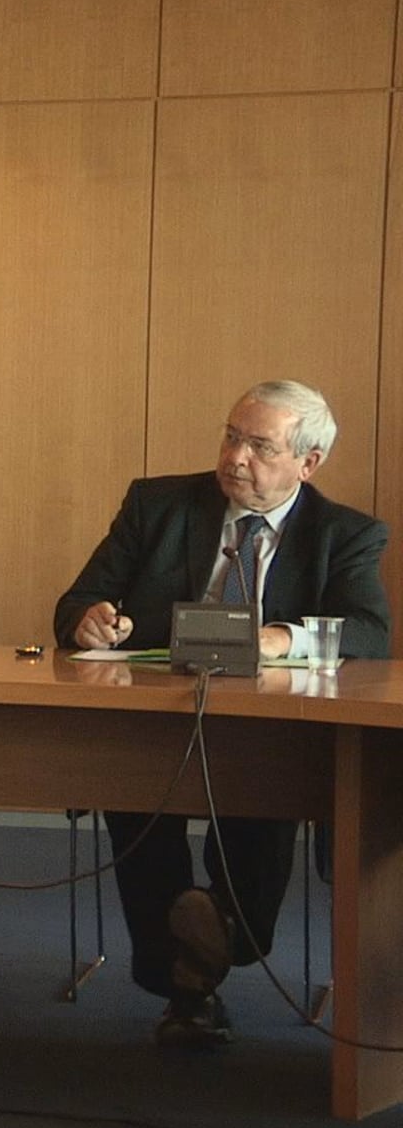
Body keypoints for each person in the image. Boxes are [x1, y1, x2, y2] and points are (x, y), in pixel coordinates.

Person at [55, 379, 389, 1048]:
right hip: (156, 716)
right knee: (137, 806)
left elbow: (370, 632)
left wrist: (282, 637)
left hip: (268, 728)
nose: (236, 457)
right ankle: (190, 978)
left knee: (262, 808)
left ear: (308, 462)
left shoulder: (343, 534)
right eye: (232, 437)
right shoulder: (158, 506)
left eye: (260, 446)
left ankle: (216, 947)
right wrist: (90, 620)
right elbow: (77, 603)